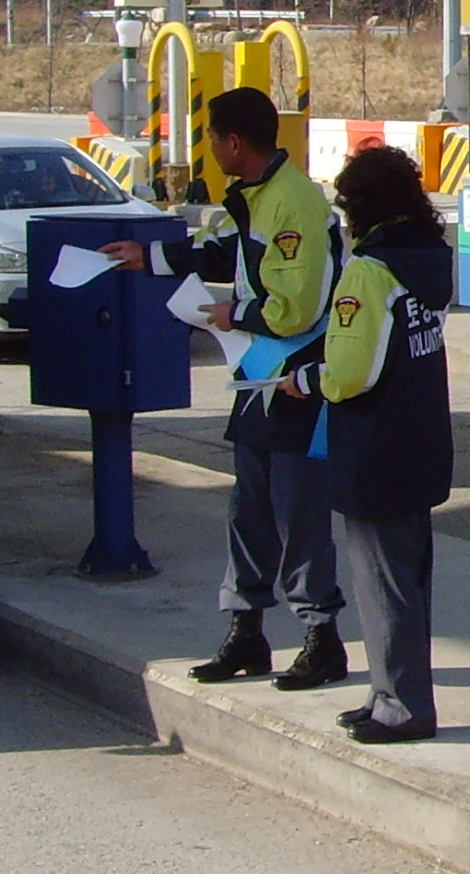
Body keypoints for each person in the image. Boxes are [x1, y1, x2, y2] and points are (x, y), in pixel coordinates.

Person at [103, 87, 349, 687]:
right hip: (257, 374)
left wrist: (231, 314)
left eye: (213, 138)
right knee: (250, 508)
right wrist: (147, 258)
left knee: (298, 511)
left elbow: (297, 308)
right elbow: (222, 254)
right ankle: (246, 630)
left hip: (299, 380)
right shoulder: (251, 197)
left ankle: (321, 637)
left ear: (234, 142)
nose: (210, 148)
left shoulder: (294, 204)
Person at [279, 146, 456, 744]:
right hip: (420, 438)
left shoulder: (369, 272)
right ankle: (390, 691)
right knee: (408, 582)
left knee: (382, 585)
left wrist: (308, 379)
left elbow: (351, 372)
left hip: (377, 446)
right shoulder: (427, 261)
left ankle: (401, 706)